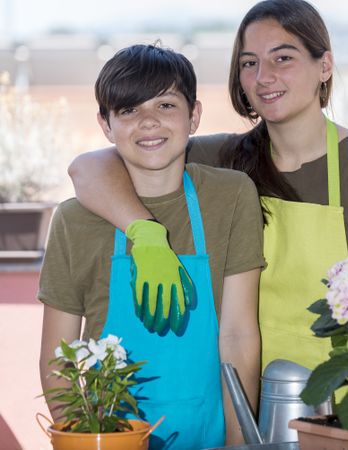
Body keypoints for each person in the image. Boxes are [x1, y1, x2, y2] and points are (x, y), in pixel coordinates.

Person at [67, 0, 348, 372]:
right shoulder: (222, 159)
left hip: (339, 413)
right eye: (249, 63)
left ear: (325, 65)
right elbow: (88, 169)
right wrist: (147, 234)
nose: (263, 77)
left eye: (282, 58)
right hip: (238, 404)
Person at [39, 44, 264, 449]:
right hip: (112, 437)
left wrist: (239, 441)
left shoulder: (229, 197)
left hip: (211, 435)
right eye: (128, 110)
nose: (148, 122)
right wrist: (91, 442)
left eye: (165, 105)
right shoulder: (73, 220)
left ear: (193, 115)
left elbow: (238, 334)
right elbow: (60, 360)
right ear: (106, 126)